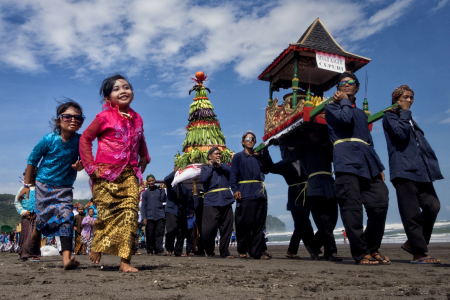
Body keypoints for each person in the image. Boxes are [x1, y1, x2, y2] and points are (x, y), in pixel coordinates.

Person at [79, 74, 150, 273]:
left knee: (130, 213)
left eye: (126, 87)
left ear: (133, 93)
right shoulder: (103, 118)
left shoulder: (138, 118)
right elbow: (85, 139)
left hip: (129, 173)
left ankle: (125, 261)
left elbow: (141, 139)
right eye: (116, 89)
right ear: (107, 99)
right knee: (107, 214)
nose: (123, 91)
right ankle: (98, 246)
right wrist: (91, 167)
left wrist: (145, 156)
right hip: (105, 175)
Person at [325, 71, 390, 265]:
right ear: (337, 89)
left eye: (351, 82)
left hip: (368, 164)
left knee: (380, 202)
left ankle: (372, 247)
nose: (346, 84)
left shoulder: (362, 114)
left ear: (357, 87)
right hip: (346, 162)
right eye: (342, 83)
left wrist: (378, 167)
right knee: (352, 210)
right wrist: (344, 101)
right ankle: (361, 253)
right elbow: (345, 120)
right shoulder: (331, 108)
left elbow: (368, 141)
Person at [18, 100, 85, 270]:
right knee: (43, 216)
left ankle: (66, 259)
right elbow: (32, 160)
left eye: (78, 118)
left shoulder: (80, 141)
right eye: (67, 116)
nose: (73, 120)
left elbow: (86, 159)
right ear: (58, 121)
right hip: (44, 184)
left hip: (64, 187)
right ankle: (38, 228)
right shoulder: (49, 139)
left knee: (66, 218)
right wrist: (27, 184)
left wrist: (81, 165)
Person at [383, 85, 442, 264]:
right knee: (412, 214)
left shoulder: (410, 120)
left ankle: (411, 244)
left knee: (433, 206)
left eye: (411, 97)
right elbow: (400, 135)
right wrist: (405, 113)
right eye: (406, 97)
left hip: (422, 172)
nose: (410, 100)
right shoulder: (390, 116)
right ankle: (419, 253)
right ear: (396, 99)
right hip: (404, 171)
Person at [279, 129, 340, 261]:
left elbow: (338, 153)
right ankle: (331, 252)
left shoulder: (326, 147)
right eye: (312, 131)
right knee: (323, 221)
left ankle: (314, 245)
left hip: (330, 185)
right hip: (314, 187)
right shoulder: (303, 148)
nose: (315, 133)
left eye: (317, 131)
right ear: (307, 133)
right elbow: (287, 158)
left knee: (333, 220)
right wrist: (282, 141)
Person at [267, 157, 322, 260]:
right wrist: (266, 153)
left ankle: (291, 250)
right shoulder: (285, 163)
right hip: (295, 197)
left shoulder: (305, 160)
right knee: (304, 224)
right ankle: (314, 251)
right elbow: (271, 168)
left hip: (308, 195)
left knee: (300, 226)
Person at [230, 131, 271, 259]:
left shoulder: (259, 157)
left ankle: (256, 252)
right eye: (247, 138)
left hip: (260, 193)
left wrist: (265, 153)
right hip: (245, 193)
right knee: (244, 223)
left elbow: (267, 169)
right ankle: (242, 249)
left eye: (252, 138)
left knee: (259, 224)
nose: (250, 140)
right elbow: (233, 175)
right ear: (243, 142)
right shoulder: (238, 157)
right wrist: (235, 189)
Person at [201, 147, 234, 259]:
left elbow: (233, 173)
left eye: (220, 154)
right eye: (216, 154)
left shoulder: (225, 167)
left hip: (226, 200)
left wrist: (221, 166)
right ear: (210, 156)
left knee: (227, 228)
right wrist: (211, 166)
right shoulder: (205, 168)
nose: (219, 155)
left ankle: (225, 252)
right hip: (211, 201)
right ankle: (209, 250)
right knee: (209, 228)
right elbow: (204, 179)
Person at [164, 168, 194, 257]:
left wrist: (191, 208)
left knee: (182, 231)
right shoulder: (171, 183)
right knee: (171, 229)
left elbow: (189, 197)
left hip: (183, 209)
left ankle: (178, 251)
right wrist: (174, 171)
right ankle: (169, 248)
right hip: (171, 209)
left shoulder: (186, 185)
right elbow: (166, 179)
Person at [141, 174, 166, 256]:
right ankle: (150, 250)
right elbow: (143, 207)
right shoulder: (145, 193)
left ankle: (158, 250)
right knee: (150, 234)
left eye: (152, 180)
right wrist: (144, 217)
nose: (151, 182)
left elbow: (163, 199)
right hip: (150, 216)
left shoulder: (159, 190)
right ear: (147, 182)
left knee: (159, 233)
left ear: (155, 181)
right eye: (149, 181)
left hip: (160, 215)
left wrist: (162, 191)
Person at [15, 183, 40, 261]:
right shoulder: (21, 189)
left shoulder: (39, 188)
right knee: (25, 235)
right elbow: (17, 202)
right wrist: (23, 212)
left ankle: (35, 254)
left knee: (35, 235)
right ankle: (24, 252)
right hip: (26, 215)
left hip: (37, 215)